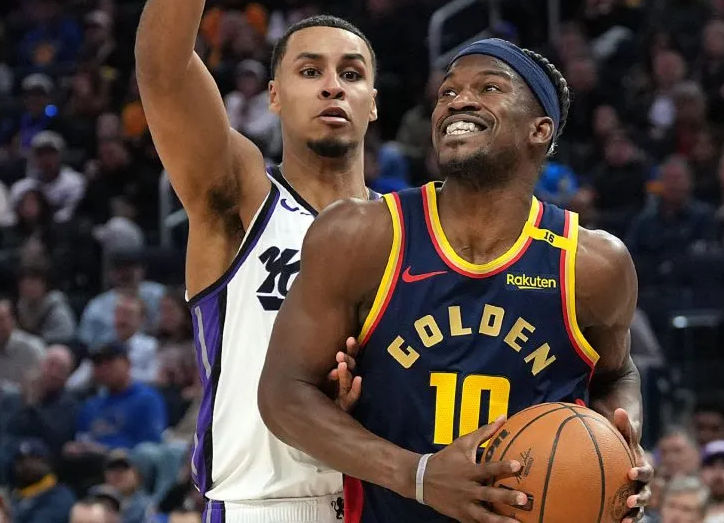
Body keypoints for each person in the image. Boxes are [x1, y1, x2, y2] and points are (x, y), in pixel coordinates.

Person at [258, 38, 653, 523]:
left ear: (540, 130)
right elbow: (282, 392)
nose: (458, 101)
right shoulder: (360, 235)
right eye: (447, 93)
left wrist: (618, 450)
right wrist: (419, 476)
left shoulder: (593, 264)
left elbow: (618, 375)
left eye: (489, 87)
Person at [134, 0, 379, 520]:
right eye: (309, 70)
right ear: (273, 97)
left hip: (388, 501)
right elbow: (162, 69)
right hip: (265, 506)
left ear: (373, 104)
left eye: (351, 74)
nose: (332, 86)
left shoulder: (409, 228)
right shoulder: (243, 201)